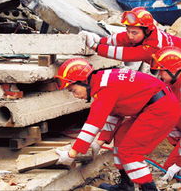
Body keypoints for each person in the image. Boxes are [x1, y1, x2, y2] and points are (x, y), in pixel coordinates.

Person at [54, 57, 181, 190]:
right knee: (120, 137)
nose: (75, 95)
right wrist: (99, 142)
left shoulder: (105, 89)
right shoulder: (103, 80)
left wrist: (71, 155)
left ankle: (149, 189)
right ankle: (126, 185)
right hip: (156, 105)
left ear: (83, 81)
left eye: (73, 90)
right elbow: (115, 113)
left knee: (130, 152)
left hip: (161, 110)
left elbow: (92, 124)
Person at [80, 7, 181, 64]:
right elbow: (122, 37)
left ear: (146, 31)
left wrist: (95, 47)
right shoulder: (148, 32)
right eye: (128, 30)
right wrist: (101, 40)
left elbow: (127, 54)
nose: (130, 36)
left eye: (134, 33)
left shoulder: (154, 45)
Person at [150, 46, 181, 181]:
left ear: (174, 70)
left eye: (161, 71)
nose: (159, 76)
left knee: (171, 168)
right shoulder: (172, 83)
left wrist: (178, 164)